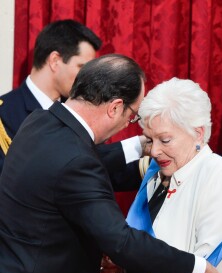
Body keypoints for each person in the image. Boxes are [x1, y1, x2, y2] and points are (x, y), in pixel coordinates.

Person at [0, 54, 222, 273]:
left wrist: (139, 146)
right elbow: (121, 241)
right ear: (115, 107)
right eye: (132, 116)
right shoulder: (76, 163)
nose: (129, 123)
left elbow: (69, 162)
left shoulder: (39, 121)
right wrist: (195, 268)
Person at [102, 77, 222, 273]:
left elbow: (203, 271)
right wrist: (127, 266)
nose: (154, 151)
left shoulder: (216, 173)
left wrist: (136, 259)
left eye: (165, 140)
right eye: (150, 140)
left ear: (197, 133)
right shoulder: (156, 171)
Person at [0, 19, 143, 176]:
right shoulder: (4, 114)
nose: (89, 77)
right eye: (82, 67)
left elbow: (96, 171)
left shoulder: (79, 111)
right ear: (55, 61)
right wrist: (137, 146)